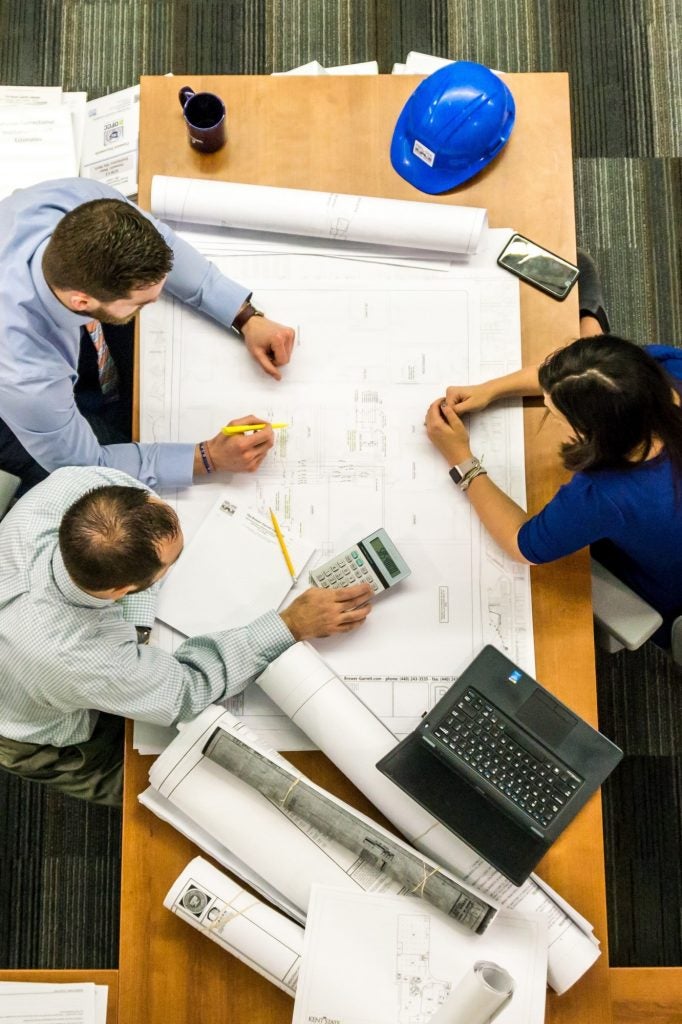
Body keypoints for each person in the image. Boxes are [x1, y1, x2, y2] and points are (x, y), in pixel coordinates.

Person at [0, 465, 373, 806]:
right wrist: (289, 625)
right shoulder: (78, 658)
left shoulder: (71, 487)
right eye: (171, 564)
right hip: (30, 729)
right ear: (123, 589)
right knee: (162, 788)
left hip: (38, 661)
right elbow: (185, 690)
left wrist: (138, 627)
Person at [0, 178, 296, 493]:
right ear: (82, 302)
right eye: (142, 302)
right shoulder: (27, 376)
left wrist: (243, 315)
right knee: (115, 459)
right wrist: (207, 458)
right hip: (15, 412)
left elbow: (164, 242)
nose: (155, 301)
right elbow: (87, 466)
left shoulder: (81, 200)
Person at [425, 334, 682, 648]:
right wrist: (490, 390)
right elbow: (579, 377)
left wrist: (460, 459)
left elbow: (523, 545)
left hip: (662, 589)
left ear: (591, 434)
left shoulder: (606, 494)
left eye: (556, 416)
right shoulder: (665, 367)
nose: (549, 414)